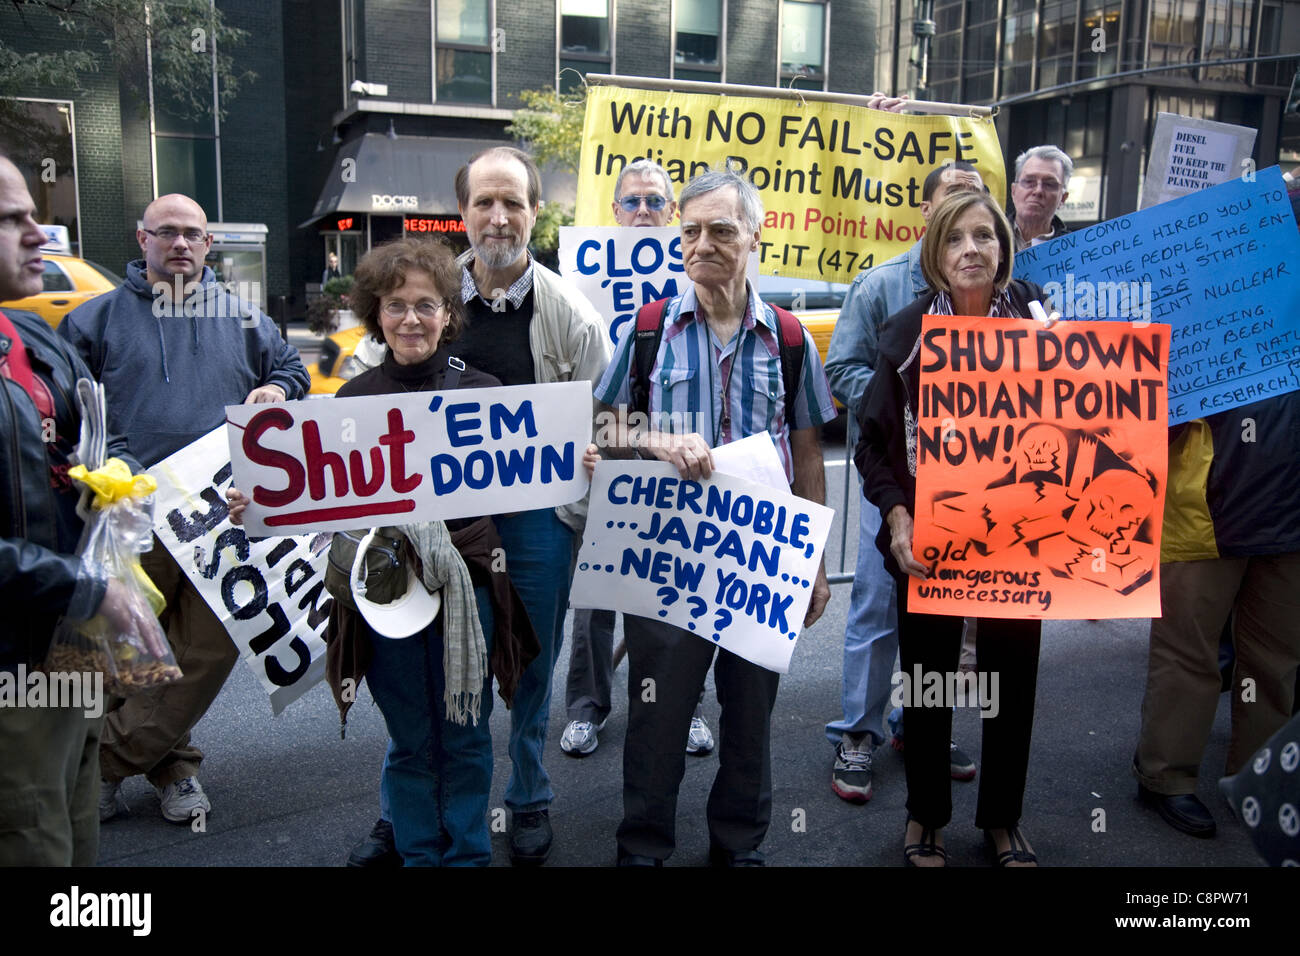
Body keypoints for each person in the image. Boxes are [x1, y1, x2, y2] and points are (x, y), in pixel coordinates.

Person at [230, 237, 538, 865]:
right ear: (377, 315)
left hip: (467, 582)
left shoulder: (485, 390)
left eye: (426, 305)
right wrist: (261, 503)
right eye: (396, 306)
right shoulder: (354, 399)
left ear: (447, 314)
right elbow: (323, 495)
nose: (411, 319)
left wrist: (578, 461)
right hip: (385, 587)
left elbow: (530, 468)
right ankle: (420, 853)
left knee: (466, 730)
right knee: (408, 735)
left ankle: (468, 855)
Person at [590, 168, 836, 866]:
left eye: (721, 230)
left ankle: (738, 847)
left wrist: (813, 565)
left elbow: (811, 458)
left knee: (750, 721)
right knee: (658, 719)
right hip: (670, 561)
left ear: (755, 237)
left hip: (761, 565)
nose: (702, 244)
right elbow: (603, 430)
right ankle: (642, 849)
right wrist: (657, 440)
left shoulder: (789, 339)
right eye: (690, 230)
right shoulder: (646, 331)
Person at [59, 193, 310, 824]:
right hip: (126, 517)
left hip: (217, 516)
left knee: (206, 652)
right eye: (165, 233)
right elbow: (70, 415)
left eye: (192, 234)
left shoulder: (247, 318)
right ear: (141, 240)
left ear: (208, 245)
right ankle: (174, 767)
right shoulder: (94, 322)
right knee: (129, 655)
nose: (179, 244)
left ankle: (103, 766)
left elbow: (290, 370)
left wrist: (277, 386)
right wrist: (113, 469)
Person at [856, 190, 1052, 866]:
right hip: (931, 543)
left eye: (984, 236)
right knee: (931, 678)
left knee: (1013, 681)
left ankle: (1001, 817)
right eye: (955, 239)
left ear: (1003, 247)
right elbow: (872, 447)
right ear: (937, 256)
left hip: (1020, 542)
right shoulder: (908, 333)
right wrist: (899, 515)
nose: (972, 249)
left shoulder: (1036, 314)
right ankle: (926, 816)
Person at [0, 152, 162, 864]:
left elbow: (103, 436)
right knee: (32, 838)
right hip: (13, 664)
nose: (42, 233)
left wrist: (122, 478)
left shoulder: (34, 340)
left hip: (71, 648)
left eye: (35, 214)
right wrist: (87, 586)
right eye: (14, 219)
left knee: (74, 827)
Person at [450, 145, 609, 864]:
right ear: (463, 214)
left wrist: (596, 447)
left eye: (513, 201)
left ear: (535, 213)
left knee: (534, 660)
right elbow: (375, 394)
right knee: (462, 659)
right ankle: (452, 801)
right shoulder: (428, 298)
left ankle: (530, 794)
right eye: (485, 200)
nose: (498, 215)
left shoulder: (572, 312)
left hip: (541, 521)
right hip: (452, 521)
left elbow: (608, 413)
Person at [1131, 195, 1300, 838]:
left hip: (1290, 517)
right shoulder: (1206, 295)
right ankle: (1166, 776)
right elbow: (1143, 390)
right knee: (1189, 654)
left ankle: (1260, 778)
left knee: (1275, 662)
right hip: (1206, 509)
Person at [823, 160, 985, 803]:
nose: (965, 232)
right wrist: (912, 406)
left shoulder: (1003, 293)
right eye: (950, 203)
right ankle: (857, 732)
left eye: (976, 207)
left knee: (945, 610)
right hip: (890, 476)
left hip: (970, 488)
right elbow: (843, 369)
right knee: (876, 603)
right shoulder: (881, 285)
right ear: (925, 213)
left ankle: (923, 724)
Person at [560, 158, 717, 760]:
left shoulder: (698, 277)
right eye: (633, 202)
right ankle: (586, 709)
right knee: (596, 598)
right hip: (605, 456)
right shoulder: (581, 282)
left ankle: (686, 707)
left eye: (656, 202)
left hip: (679, 464)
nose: (645, 212)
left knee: (679, 596)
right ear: (614, 211)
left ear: (673, 214)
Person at [1009, 145, 1072, 251]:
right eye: (1029, 182)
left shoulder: (1074, 249)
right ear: (1013, 191)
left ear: (1063, 198)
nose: (1038, 191)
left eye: (1049, 184)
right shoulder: (988, 236)